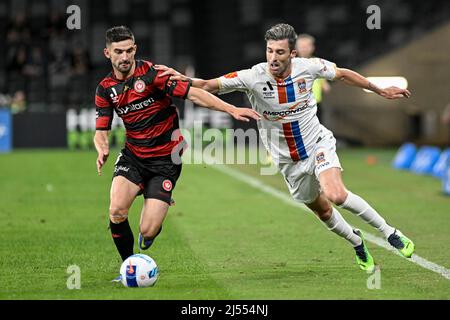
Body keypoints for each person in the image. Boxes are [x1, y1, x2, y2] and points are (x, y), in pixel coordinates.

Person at [157, 23, 415, 272]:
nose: (273, 57)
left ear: (292, 53)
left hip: (316, 145)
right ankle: (357, 242)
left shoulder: (310, 67)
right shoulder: (252, 76)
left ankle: (390, 232)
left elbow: (343, 74)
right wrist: (184, 78)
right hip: (288, 162)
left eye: (279, 52)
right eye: (269, 50)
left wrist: (378, 89)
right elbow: (208, 84)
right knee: (323, 210)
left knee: (336, 194)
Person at [93, 26, 260, 281]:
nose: (124, 57)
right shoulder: (105, 88)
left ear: (135, 49)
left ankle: (151, 228)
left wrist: (231, 109)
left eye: (128, 50)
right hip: (133, 157)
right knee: (116, 210)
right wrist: (102, 146)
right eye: (118, 52)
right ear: (108, 53)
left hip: (165, 161)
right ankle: (128, 268)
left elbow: (195, 94)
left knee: (147, 231)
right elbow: (101, 129)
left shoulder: (154, 74)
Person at [296, 34, 330, 123]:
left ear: (312, 47)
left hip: (316, 103)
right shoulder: (292, 64)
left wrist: (325, 85)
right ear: (296, 48)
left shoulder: (318, 63)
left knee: (318, 127)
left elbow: (324, 84)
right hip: (298, 104)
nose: (304, 48)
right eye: (301, 46)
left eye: (307, 46)